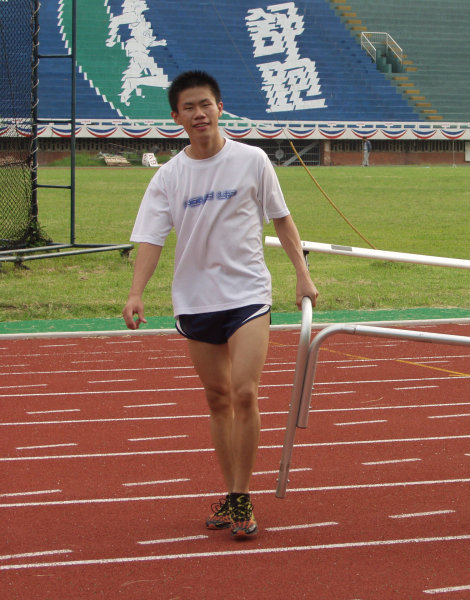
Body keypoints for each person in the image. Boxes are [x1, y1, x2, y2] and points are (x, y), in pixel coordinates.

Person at [122, 70, 319, 539]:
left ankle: (242, 496)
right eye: (189, 107)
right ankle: (231, 492)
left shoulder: (252, 160)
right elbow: (151, 239)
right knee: (218, 399)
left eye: (205, 104)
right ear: (176, 117)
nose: (199, 113)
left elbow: (282, 221)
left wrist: (303, 274)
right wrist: (135, 292)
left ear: (220, 108)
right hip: (195, 300)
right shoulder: (169, 177)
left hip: (247, 295)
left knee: (245, 392)